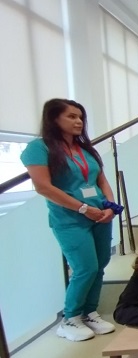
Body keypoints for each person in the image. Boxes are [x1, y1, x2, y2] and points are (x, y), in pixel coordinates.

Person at [21, 99, 118, 341]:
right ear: (54, 119)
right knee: (85, 267)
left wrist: (110, 206)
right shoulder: (39, 148)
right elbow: (43, 187)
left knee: (100, 264)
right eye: (71, 116)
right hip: (70, 219)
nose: (78, 121)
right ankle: (70, 318)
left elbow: (101, 181)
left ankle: (89, 313)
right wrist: (83, 208)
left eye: (80, 117)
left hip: (100, 215)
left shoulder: (85, 149)